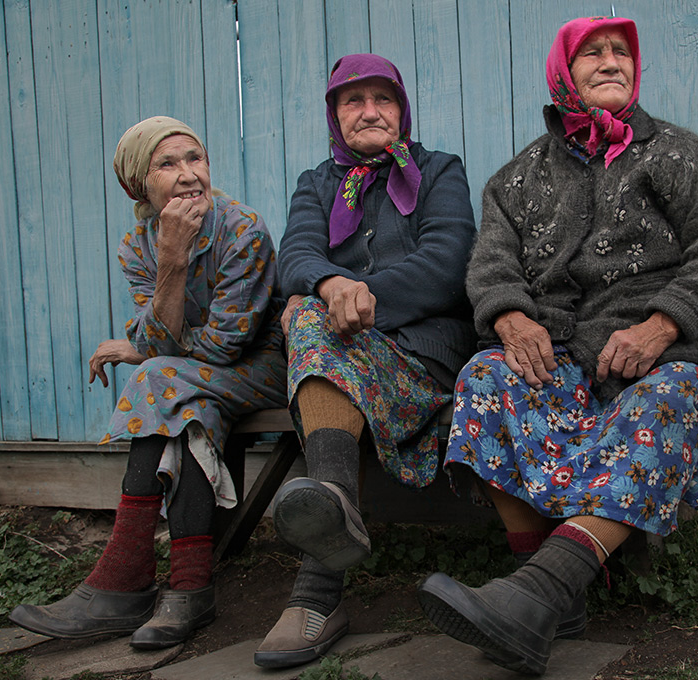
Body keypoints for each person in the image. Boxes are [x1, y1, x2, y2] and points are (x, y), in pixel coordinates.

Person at [416, 16, 698, 675]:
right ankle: (551, 597)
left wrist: (663, 325)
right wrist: (510, 318)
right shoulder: (516, 178)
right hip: (556, 347)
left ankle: (541, 592)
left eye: (621, 52)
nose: (610, 62)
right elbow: (491, 266)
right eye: (592, 53)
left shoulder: (679, 156)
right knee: (485, 379)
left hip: (657, 348)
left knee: (667, 398)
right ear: (562, 74)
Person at [8, 116, 287, 649]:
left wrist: (141, 350)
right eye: (167, 164)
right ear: (139, 184)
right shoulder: (138, 246)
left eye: (195, 158)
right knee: (183, 403)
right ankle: (189, 591)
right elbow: (165, 343)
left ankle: (123, 581)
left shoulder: (242, 229)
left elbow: (225, 346)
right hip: (194, 385)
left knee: (160, 378)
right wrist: (171, 260)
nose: (189, 174)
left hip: (264, 370)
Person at [253, 54, 476, 668]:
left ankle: (317, 589)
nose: (370, 111)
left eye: (384, 99)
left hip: (422, 354)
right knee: (305, 308)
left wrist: (359, 296)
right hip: (336, 347)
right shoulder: (316, 183)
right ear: (335, 114)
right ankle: (335, 508)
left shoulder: (439, 171)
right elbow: (296, 256)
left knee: (311, 320)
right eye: (353, 100)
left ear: (403, 110)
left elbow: (448, 263)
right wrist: (331, 286)